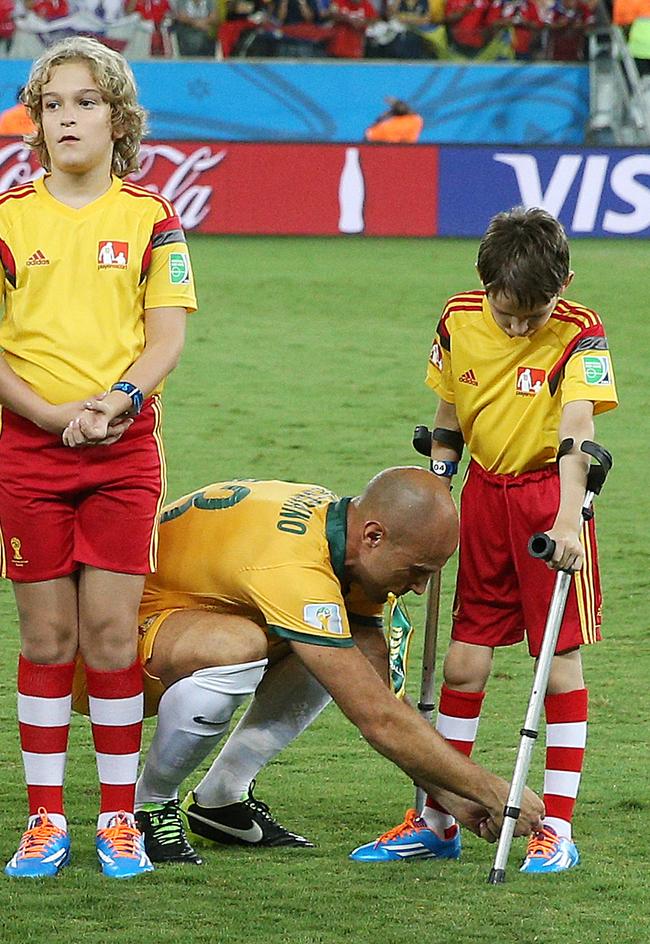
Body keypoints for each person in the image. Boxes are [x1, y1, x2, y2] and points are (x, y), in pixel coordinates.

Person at [72, 468, 545, 865]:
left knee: (333, 651)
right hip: (105, 653)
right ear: (374, 536)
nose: (420, 589)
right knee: (241, 644)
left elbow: (378, 697)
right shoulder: (296, 568)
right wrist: (492, 789)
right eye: (417, 572)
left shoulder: (346, 539)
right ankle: (147, 806)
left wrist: (452, 795)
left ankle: (221, 800)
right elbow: (376, 718)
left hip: (180, 622)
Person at [351, 207, 618, 872]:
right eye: (509, 312)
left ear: (566, 283)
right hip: (482, 498)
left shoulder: (581, 332)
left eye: (536, 311)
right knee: (464, 664)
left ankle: (555, 826)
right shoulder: (458, 317)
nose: (522, 325)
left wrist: (564, 517)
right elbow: (448, 421)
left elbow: (577, 428)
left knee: (556, 666)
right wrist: (438, 490)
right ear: (485, 282)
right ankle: (438, 817)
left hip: (549, 498)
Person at [0, 37, 196, 880]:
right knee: (48, 637)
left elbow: (168, 335)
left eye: (85, 102)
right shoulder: (8, 218)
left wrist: (117, 401)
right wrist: (49, 415)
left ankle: (118, 819)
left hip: (123, 454)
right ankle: (47, 819)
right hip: (28, 454)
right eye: (53, 105)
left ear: (117, 118)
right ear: (36, 124)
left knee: (113, 636)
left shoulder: (151, 216)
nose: (67, 117)